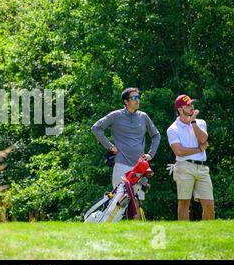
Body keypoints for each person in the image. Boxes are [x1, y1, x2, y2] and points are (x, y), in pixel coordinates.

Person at [91, 88, 161, 218]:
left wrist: (151, 154)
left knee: (137, 203)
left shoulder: (143, 116)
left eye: (138, 97)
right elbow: (96, 128)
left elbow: (156, 135)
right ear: (126, 101)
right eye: (134, 98)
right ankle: (109, 229)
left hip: (140, 167)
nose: (137, 100)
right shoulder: (116, 115)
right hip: (121, 165)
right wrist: (110, 146)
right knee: (119, 202)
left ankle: (135, 235)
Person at [166, 94, 214, 220]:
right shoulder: (173, 129)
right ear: (180, 110)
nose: (191, 106)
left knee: (209, 204)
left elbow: (203, 139)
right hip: (184, 167)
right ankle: (184, 234)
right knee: (184, 203)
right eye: (188, 105)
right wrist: (198, 149)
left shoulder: (200, 122)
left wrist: (193, 122)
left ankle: (208, 235)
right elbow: (179, 151)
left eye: (192, 104)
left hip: (203, 168)